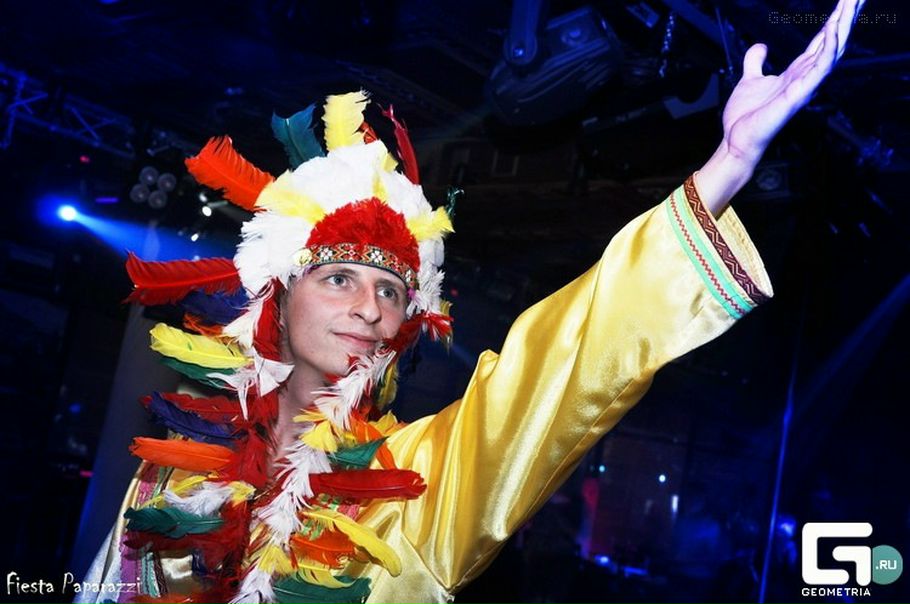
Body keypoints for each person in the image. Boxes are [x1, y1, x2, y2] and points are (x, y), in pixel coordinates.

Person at [78, 1, 864, 602]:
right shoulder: (171, 480)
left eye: (392, 290)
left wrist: (728, 163)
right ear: (279, 298)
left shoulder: (409, 482)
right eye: (341, 278)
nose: (372, 307)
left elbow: (559, 372)